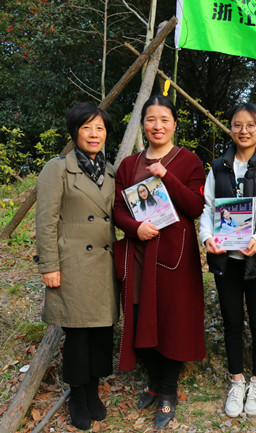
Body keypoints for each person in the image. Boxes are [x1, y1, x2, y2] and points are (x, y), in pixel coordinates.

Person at [113, 94, 206, 429]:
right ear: (143, 124)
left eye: (164, 119)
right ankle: (153, 380)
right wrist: (135, 227)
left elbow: (195, 207)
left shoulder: (189, 161)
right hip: (139, 251)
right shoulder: (128, 165)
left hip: (174, 254)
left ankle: (167, 390)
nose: (157, 126)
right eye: (151, 119)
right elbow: (118, 208)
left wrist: (166, 175)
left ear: (175, 125)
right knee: (139, 316)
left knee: (173, 320)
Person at [199, 102, 256, 418]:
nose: (244, 130)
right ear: (230, 128)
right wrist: (206, 237)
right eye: (237, 124)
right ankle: (237, 381)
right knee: (232, 322)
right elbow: (207, 209)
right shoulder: (218, 167)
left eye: (251, 125)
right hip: (226, 261)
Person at [35, 103, 118, 431]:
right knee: (78, 335)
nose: (94, 134)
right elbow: (46, 221)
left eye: (100, 128)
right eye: (87, 127)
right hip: (72, 265)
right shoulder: (57, 169)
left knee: (101, 333)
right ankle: (77, 396)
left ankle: (93, 390)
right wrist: (49, 265)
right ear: (75, 132)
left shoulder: (110, 170)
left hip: (104, 265)